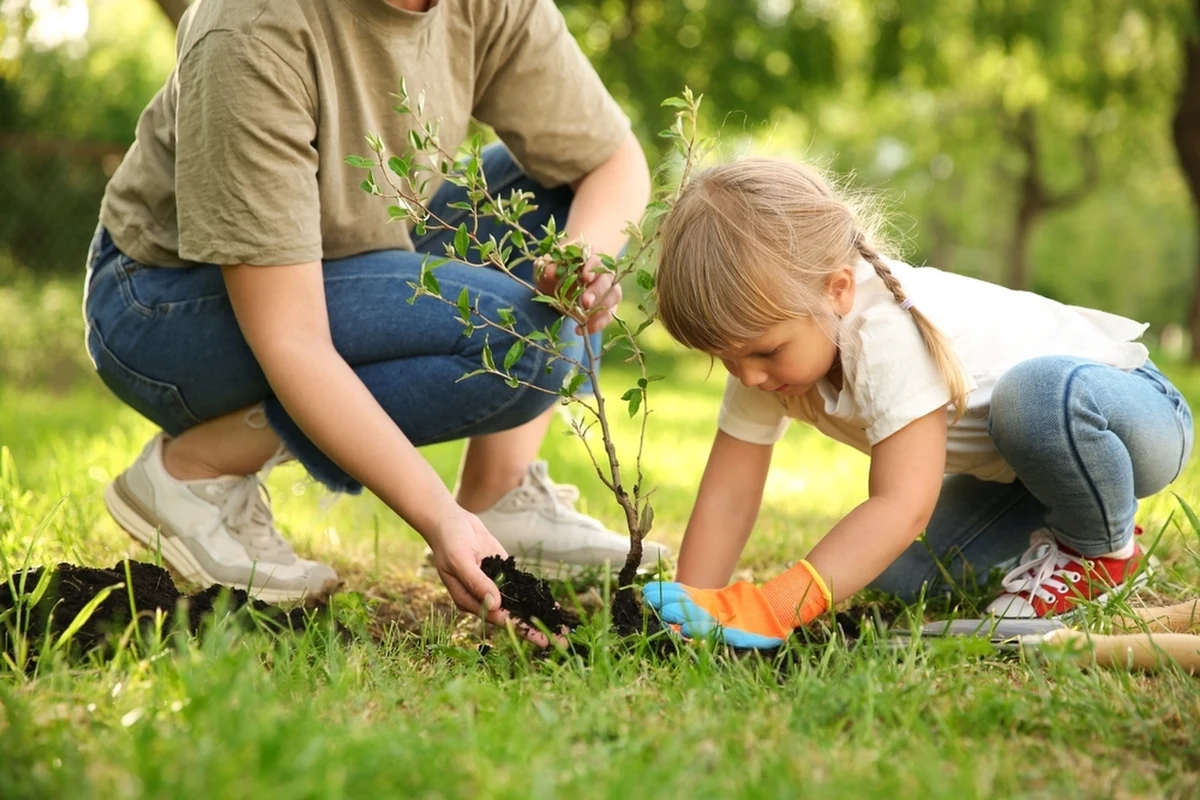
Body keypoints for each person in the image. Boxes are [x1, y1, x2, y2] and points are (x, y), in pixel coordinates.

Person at [81, 0, 669, 626]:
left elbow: (610, 160)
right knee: (518, 342)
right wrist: (440, 518)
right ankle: (196, 470)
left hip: (357, 255)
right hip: (165, 306)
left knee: (556, 197)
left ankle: (503, 495)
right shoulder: (252, 28)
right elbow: (292, 339)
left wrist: (583, 256)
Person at [641, 158, 1193, 649]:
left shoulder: (887, 330)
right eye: (727, 360)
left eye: (764, 353)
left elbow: (902, 505)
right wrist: (695, 605)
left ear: (836, 290)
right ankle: (1056, 530)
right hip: (1024, 472)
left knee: (1035, 394)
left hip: (1128, 417)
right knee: (896, 576)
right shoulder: (767, 356)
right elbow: (728, 497)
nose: (749, 376)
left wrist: (778, 606)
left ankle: (1101, 552)